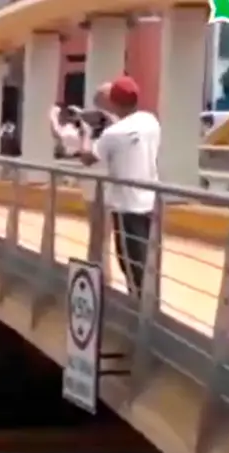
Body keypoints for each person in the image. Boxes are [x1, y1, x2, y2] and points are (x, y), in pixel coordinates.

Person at [78, 76, 160, 297]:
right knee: (148, 261)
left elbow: (88, 157)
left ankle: (139, 310)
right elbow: (128, 130)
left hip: (126, 207)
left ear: (113, 103)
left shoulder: (112, 134)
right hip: (150, 203)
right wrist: (110, 118)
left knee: (130, 262)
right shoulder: (150, 121)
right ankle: (148, 304)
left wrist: (86, 133)